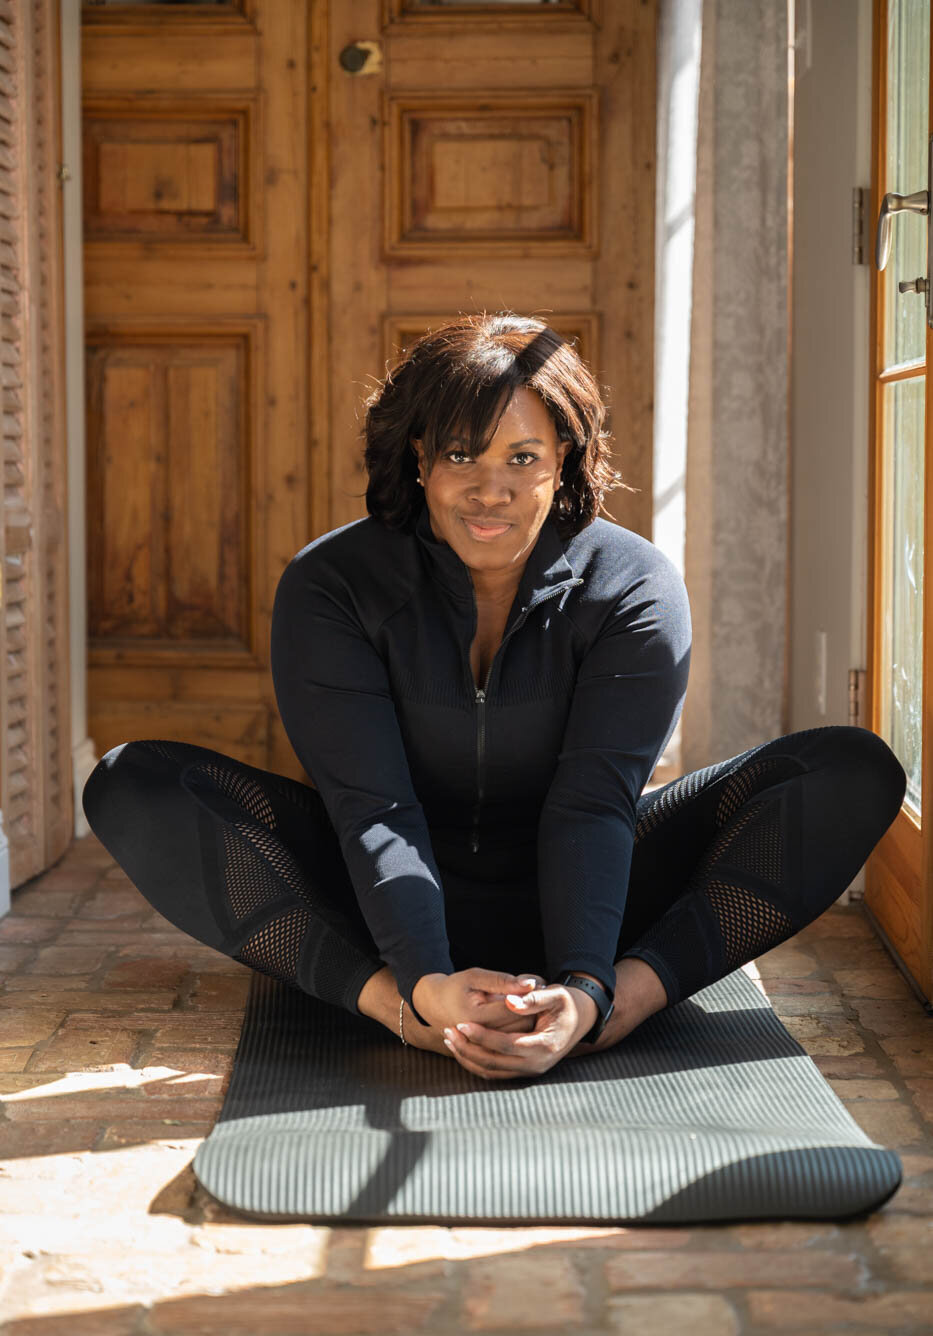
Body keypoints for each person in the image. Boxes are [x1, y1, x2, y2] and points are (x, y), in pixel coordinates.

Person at [82, 313, 907, 1082]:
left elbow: (593, 804)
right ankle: (392, 1008)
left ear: (566, 460)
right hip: (377, 902)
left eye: (523, 458)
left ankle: (628, 1000)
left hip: (594, 896)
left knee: (847, 767)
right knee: (135, 780)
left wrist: (586, 989)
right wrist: (425, 987)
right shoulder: (332, 584)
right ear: (416, 456)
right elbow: (372, 808)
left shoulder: (634, 586)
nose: (490, 490)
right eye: (459, 455)